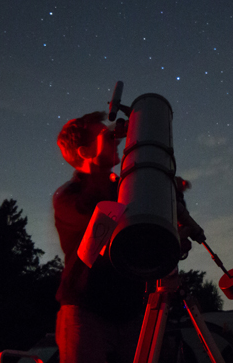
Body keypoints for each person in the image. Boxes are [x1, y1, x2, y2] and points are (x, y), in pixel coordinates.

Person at [53, 111, 145, 363]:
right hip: (85, 309)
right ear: (84, 152)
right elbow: (102, 216)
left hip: (130, 310)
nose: (116, 139)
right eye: (106, 136)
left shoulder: (122, 188)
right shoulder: (68, 197)